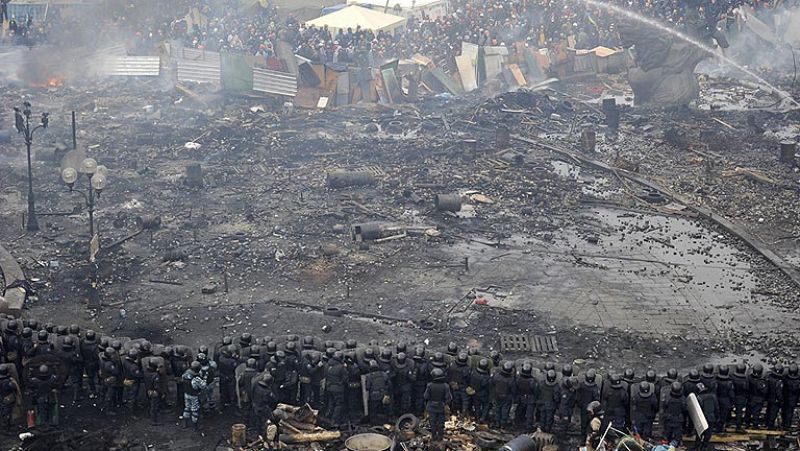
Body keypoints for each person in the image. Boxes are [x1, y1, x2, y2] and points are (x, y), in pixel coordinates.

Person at [424, 368, 452, 442]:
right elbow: (448, 398)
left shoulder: (429, 385)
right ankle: (440, 437)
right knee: (440, 423)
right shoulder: (446, 386)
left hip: (431, 406)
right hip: (441, 407)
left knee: (432, 422)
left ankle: (434, 437)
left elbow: (426, 396)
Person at [250, 373, 278, 437]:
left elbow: (252, 393)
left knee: (256, 421)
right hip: (263, 409)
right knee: (266, 422)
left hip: (255, 406)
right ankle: (264, 435)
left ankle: (256, 433)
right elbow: (274, 400)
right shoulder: (267, 391)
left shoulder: (256, 385)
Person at [182, 361, 207, 431]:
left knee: (187, 408)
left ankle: (185, 423)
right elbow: (203, 386)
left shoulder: (185, 374)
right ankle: (195, 426)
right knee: (194, 410)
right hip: (194, 395)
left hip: (186, 394)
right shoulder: (196, 378)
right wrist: (205, 378)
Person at [365, 360, 391, 425]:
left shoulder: (368, 376)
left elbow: (367, 387)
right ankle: (384, 422)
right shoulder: (384, 374)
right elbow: (389, 384)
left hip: (374, 396)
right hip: (383, 395)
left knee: (374, 410)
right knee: (383, 409)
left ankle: (374, 424)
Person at [324, 351, 348, 423]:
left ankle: (327, 417)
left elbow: (325, 375)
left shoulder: (327, 365)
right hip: (338, 388)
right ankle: (334, 420)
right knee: (339, 404)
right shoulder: (341, 367)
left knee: (331, 403)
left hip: (329, 387)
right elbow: (345, 379)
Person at [490, 361, 515, 428]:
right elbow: (513, 390)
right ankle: (503, 424)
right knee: (505, 411)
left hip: (497, 395)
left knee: (497, 409)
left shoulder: (496, 376)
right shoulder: (511, 380)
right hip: (506, 397)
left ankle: (497, 423)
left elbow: (492, 383)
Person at [514, 363, 538, 429]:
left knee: (519, 410)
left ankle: (517, 423)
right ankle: (528, 426)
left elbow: (515, 388)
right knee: (529, 413)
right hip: (530, 398)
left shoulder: (518, 378)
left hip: (521, 397)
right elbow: (535, 390)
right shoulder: (533, 380)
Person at [577, 369, 601, 437]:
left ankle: (583, 438)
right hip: (591, 410)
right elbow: (597, 400)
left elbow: (578, 397)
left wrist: (580, 404)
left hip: (583, 407)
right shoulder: (595, 388)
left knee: (583, 425)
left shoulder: (581, 385)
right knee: (590, 425)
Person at [696, 383, 717, 451]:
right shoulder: (713, 396)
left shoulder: (699, 398)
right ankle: (705, 446)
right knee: (708, 433)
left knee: (700, 432)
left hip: (703, 417)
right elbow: (717, 408)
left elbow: (698, 410)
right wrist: (717, 417)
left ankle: (698, 445)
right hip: (711, 417)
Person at [746, 363, 768, 428]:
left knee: (748, 412)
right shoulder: (761, 381)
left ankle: (747, 424)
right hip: (758, 399)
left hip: (750, 398)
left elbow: (746, 387)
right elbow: (764, 391)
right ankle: (755, 425)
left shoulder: (749, 378)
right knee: (756, 414)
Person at [143, 359, 163, 424]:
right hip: (154, 391)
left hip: (148, 389)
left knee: (150, 404)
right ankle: (153, 420)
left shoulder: (145, 371)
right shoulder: (155, 375)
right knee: (154, 406)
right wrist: (161, 393)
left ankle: (149, 416)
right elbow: (157, 386)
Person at [716, 365, 735, 432]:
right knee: (723, 416)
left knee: (717, 414)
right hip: (725, 401)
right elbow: (731, 394)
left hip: (717, 399)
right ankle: (720, 428)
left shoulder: (715, 381)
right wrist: (732, 402)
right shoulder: (729, 383)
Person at [0, 366, 18, 433]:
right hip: (7, 397)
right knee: (7, 413)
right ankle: (6, 428)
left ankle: (6, 425)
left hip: (2, 397)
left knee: (4, 412)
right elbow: (12, 387)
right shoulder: (7, 382)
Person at [766, 364, 784, 430]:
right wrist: (781, 401)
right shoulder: (779, 382)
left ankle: (767, 424)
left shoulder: (769, 378)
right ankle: (770, 426)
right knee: (773, 414)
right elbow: (779, 393)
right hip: (775, 400)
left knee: (768, 411)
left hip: (769, 398)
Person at [732, 363, 749, 432]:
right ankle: (738, 427)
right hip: (741, 398)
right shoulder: (745, 379)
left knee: (727, 410)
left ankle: (726, 422)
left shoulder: (732, 377)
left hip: (732, 396)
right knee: (739, 413)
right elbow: (747, 389)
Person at [783, 364, 800, 431]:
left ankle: (784, 424)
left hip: (785, 398)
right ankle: (787, 426)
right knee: (789, 413)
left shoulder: (785, 380)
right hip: (793, 400)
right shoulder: (798, 382)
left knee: (784, 412)